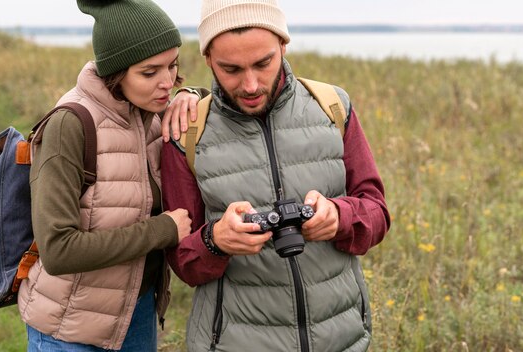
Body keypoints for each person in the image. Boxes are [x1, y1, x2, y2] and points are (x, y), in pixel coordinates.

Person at [160, 0, 391, 351]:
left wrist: (339, 217)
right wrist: (215, 240)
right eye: (231, 69)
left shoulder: (333, 107)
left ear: (283, 45)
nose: (250, 85)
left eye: (263, 63)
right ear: (208, 59)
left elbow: (377, 213)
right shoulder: (186, 132)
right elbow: (183, 263)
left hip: (341, 339)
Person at [16, 1, 192, 351]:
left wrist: (191, 95)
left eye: (173, 66)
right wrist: (164, 230)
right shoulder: (70, 124)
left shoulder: (151, 112)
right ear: (115, 73)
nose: (166, 83)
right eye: (149, 72)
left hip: (137, 314)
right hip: (70, 327)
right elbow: (59, 251)